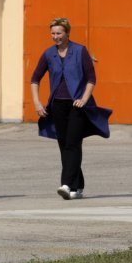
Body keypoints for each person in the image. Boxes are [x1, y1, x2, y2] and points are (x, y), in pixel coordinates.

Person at [31, 17, 111, 200]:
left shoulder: (80, 51)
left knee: (72, 144)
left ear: (67, 33)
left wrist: (84, 98)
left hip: (77, 106)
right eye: (53, 33)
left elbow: (92, 78)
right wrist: (37, 103)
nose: (55, 37)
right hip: (57, 105)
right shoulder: (48, 54)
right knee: (64, 145)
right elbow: (35, 79)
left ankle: (66, 185)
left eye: (59, 33)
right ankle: (78, 185)